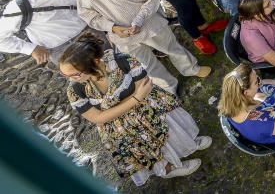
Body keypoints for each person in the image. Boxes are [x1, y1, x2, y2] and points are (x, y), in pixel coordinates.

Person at [59, 34, 210, 185]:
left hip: (148, 108)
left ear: (95, 62)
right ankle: (167, 169)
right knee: (144, 146)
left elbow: (144, 87)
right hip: (122, 128)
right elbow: (97, 118)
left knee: (169, 127)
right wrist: (135, 98)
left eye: (75, 74)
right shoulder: (74, 91)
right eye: (65, 75)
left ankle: (188, 144)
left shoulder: (123, 60)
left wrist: (111, 111)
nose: (71, 80)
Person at [59, 0, 212, 93]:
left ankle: (191, 69)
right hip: (122, 37)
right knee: (146, 65)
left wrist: (139, 20)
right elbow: (87, 14)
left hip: (150, 24)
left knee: (172, 48)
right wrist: (112, 27)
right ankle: (169, 87)